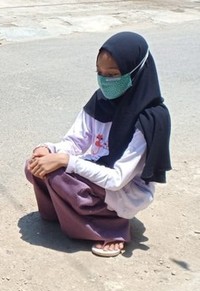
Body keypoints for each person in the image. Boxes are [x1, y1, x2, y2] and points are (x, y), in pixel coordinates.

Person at [24, 32, 171, 257]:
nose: (105, 81)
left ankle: (112, 227)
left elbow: (117, 179)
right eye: (100, 73)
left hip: (125, 188)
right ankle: (63, 214)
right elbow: (75, 141)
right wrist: (48, 150)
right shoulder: (100, 100)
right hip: (100, 170)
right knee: (35, 165)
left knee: (58, 175)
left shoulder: (150, 119)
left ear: (137, 71)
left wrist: (65, 160)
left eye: (112, 74)